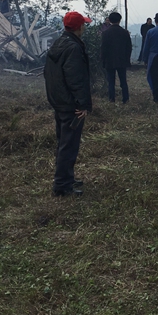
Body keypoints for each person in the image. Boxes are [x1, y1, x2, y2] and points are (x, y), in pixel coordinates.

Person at [44, 11, 93, 197]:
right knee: (69, 145)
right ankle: (62, 185)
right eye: (84, 24)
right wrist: (82, 104)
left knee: (63, 142)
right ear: (79, 27)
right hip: (71, 105)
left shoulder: (59, 43)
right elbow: (76, 79)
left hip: (60, 101)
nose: (85, 27)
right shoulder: (73, 48)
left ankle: (66, 178)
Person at [101, 12, 132, 104]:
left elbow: (103, 48)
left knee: (111, 82)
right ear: (119, 20)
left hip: (109, 61)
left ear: (110, 20)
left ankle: (111, 99)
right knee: (123, 81)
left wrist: (103, 60)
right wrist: (127, 59)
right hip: (122, 60)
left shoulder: (106, 33)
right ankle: (125, 99)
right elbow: (129, 48)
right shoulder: (125, 33)